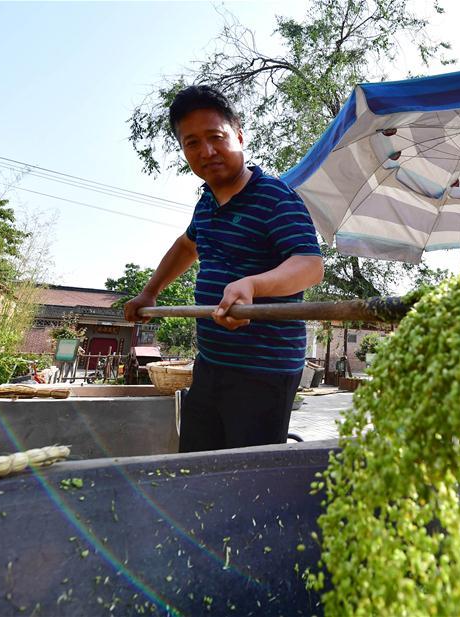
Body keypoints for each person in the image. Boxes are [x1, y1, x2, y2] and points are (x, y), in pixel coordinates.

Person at [124, 85, 324, 452]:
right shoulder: (206, 204)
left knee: (247, 479)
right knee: (197, 465)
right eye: (192, 143)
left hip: (265, 370)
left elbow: (310, 265)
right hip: (212, 362)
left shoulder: (275, 197)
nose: (207, 151)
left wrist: (252, 285)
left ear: (240, 136)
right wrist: (150, 291)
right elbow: (187, 245)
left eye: (216, 137)